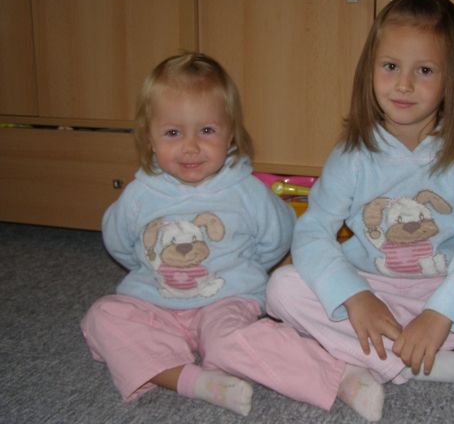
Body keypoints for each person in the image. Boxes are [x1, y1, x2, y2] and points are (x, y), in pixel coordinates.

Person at [266, 0, 454, 421]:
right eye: (391, 66)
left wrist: (442, 313)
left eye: (424, 70)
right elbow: (312, 232)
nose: (404, 84)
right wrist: (354, 296)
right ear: (370, 70)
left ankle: (382, 356)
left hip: (439, 287)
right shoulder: (351, 156)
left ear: (452, 79)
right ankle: (420, 363)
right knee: (281, 289)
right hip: (371, 287)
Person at [80, 52, 379, 419]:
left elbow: (278, 236)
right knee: (102, 317)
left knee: (233, 342)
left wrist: (247, 270)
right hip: (154, 303)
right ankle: (195, 381)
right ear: (150, 139)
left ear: (231, 134)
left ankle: (340, 377)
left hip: (226, 301)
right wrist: (152, 274)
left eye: (207, 131)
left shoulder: (246, 191)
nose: (191, 146)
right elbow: (121, 244)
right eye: (173, 133)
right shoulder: (139, 195)